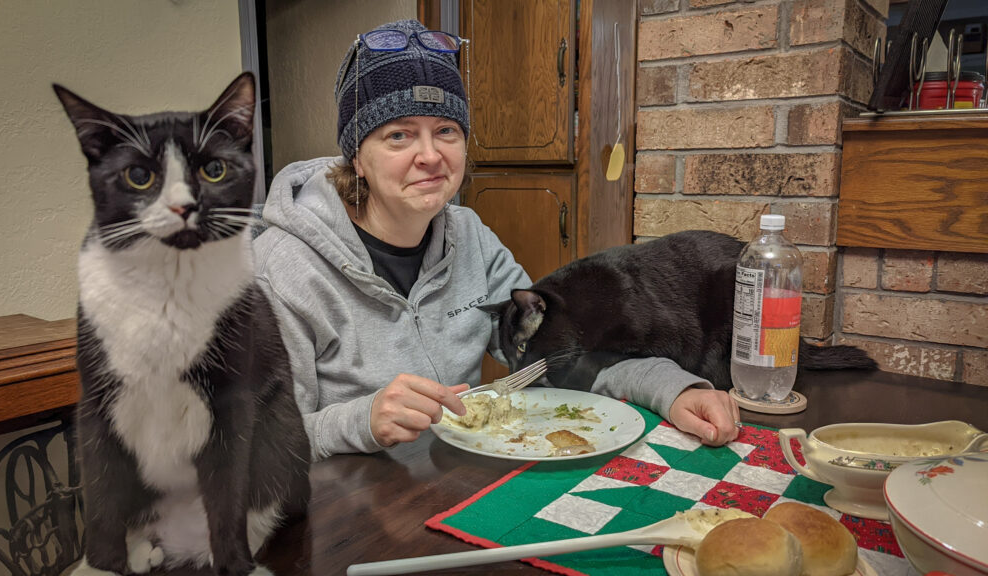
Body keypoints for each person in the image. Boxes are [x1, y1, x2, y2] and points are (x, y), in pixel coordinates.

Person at [254, 18, 740, 462]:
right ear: (356, 157)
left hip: (456, 480)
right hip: (342, 517)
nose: (430, 155)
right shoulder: (280, 271)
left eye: (445, 130)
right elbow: (252, 448)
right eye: (399, 136)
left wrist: (675, 391)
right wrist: (361, 421)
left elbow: (558, 357)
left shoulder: (470, 236)